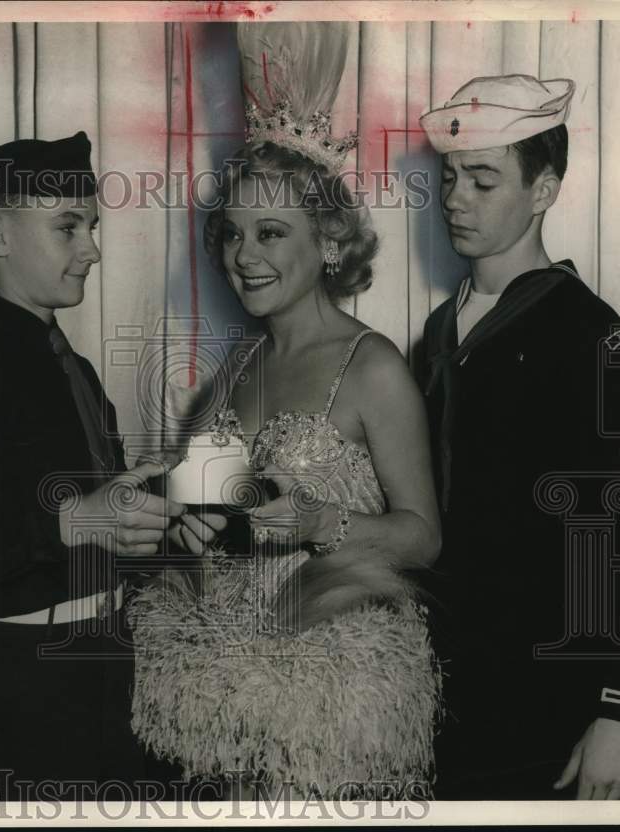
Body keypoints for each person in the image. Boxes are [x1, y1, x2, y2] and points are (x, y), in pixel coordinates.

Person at [130, 22, 443, 800]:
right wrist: (177, 509)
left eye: (271, 232)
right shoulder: (232, 373)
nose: (244, 255)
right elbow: (211, 528)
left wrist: (314, 523)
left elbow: (424, 537)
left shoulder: (373, 369)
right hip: (226, 692)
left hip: (335, 699)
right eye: (233, 234)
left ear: (331, 243)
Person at [0, 131, 208, 801]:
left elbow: (99, 532)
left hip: (108, 671)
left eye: (91, 226)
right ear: (0, 233)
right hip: (16, 690)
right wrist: (69, 523)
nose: (92, 249)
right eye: (68, 228)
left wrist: (166, 522)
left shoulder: (79, 371)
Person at [418, 74, 620, 799]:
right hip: (441, 697)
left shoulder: (589, 333)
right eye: (450, 177)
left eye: (483, 181)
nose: (456, 198)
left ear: (544, 190)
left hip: (549, 702)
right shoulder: (436, 333)